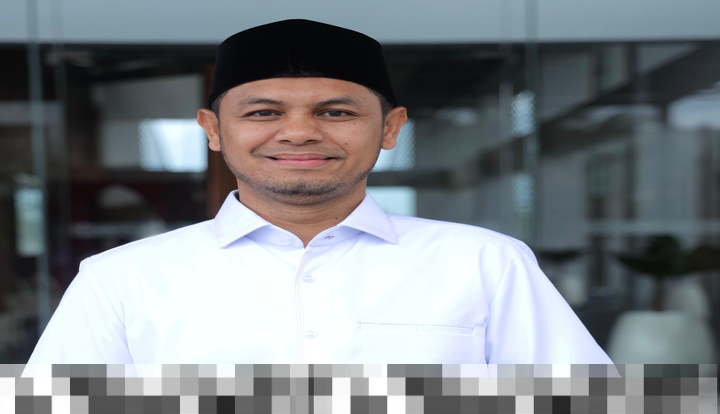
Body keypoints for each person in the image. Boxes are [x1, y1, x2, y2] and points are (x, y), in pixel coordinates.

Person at [24, 19, 613, 369]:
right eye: (263, 112)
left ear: (390, 128)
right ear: (213, 130)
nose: (300, 132)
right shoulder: (121, 279)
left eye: (336, 112)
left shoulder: (486, 263)